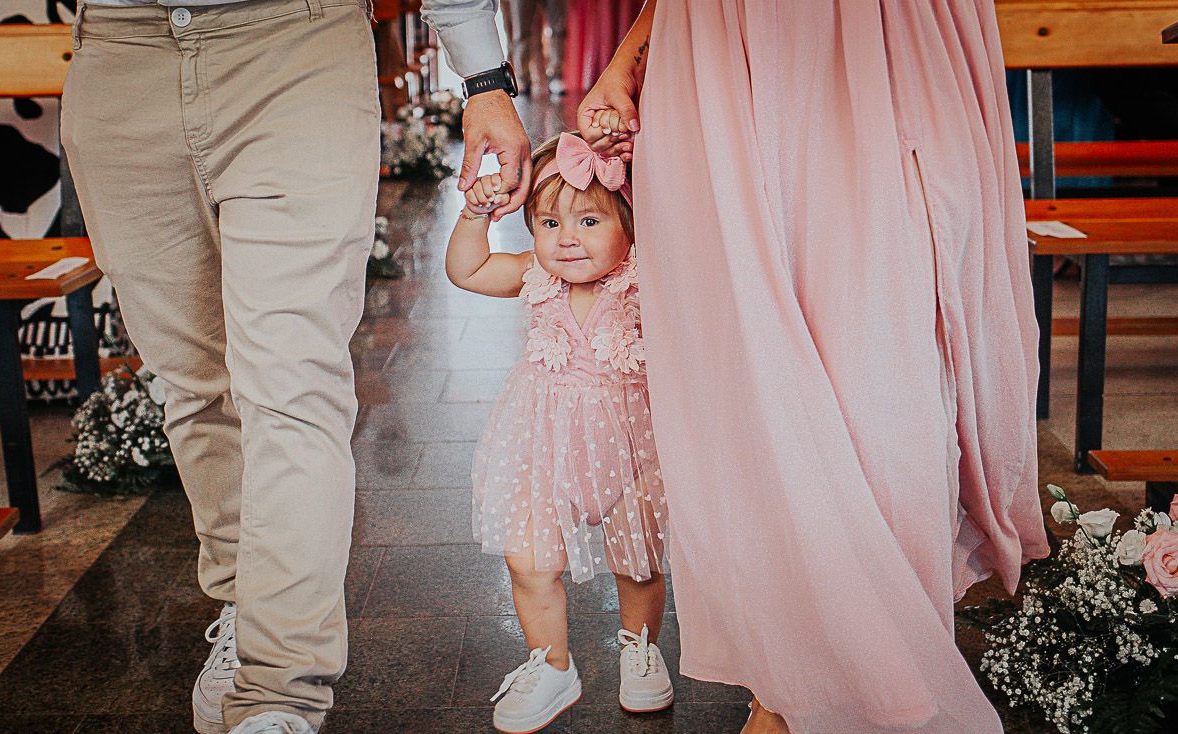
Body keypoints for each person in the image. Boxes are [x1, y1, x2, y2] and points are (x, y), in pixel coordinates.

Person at [578, 2, 1050, 733]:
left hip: (877, 45)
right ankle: (788, 684)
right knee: (745, 368)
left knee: (884, 370)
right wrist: (629, 56)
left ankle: (875, 670)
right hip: (719, 54)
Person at [61, 0, 528, 732]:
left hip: (295, 43)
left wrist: (483, 76)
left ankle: (280, 691)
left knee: (292, 383)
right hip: (121, 59)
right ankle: (246, 608)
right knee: (195, 384)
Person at [445, 132, 674, 734]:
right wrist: (474, 214)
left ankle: (640, 648)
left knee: (639, 562)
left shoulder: (644, 278)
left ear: (631, 224)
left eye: (590, 221)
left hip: (634, 448)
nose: (567, 238)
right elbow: (467, 269)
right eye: (549, 224)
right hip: (543, 447)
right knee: (527, 560)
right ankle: (551, 665)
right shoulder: (534, 275)